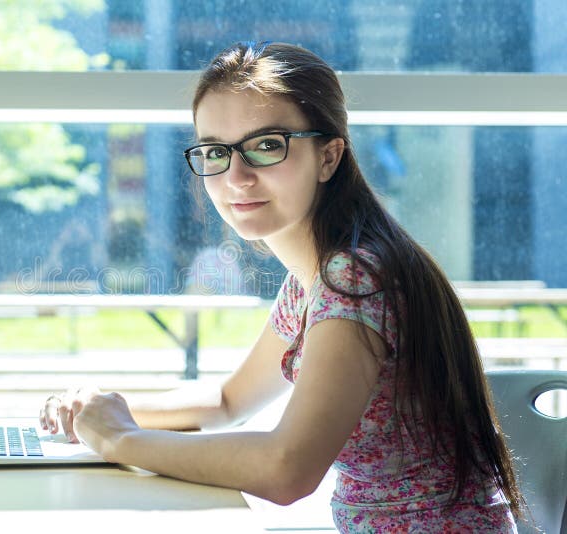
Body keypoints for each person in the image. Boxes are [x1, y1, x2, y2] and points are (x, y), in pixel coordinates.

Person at [39, 42, 524, 532]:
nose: (236, 176)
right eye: (215, 151)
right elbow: (227, 402)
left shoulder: (356, 280)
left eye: (267, 145)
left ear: (329, 156)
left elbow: (288, 470)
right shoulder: (312, 279)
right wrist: (97, 411)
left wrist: (122, 441)